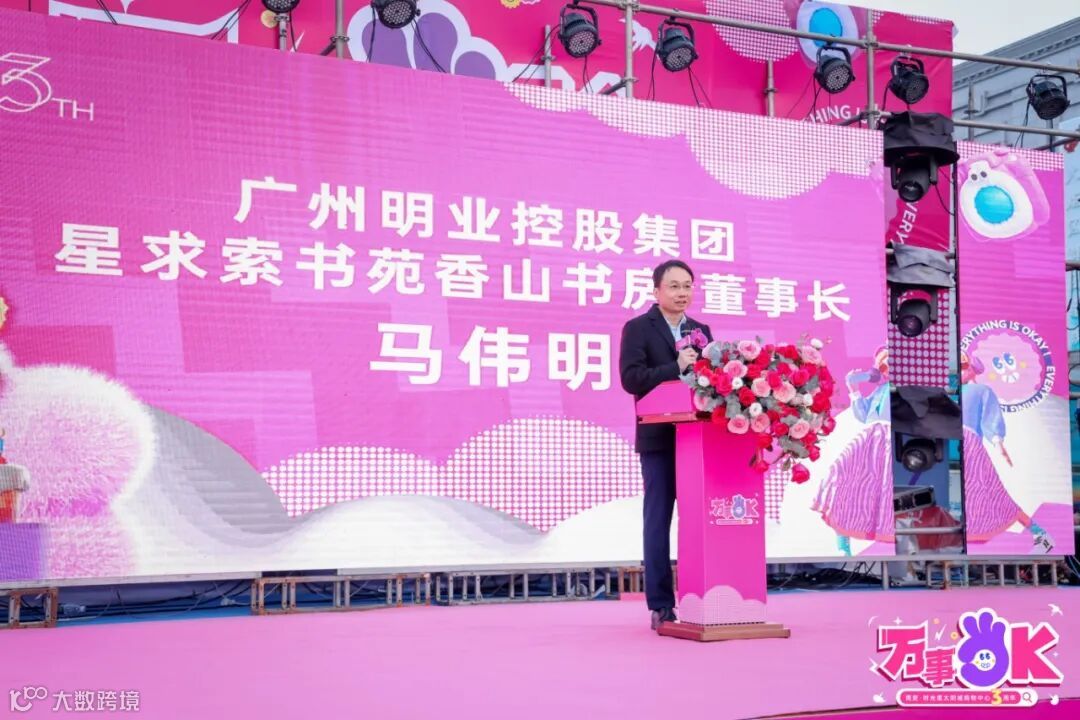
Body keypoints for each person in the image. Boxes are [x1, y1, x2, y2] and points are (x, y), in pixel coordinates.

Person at [618, 260, 713, 631]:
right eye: (674, 286)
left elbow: (710, 382)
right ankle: (660, 605)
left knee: (698, 522)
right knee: (658, 521)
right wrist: (675, 366)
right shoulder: (639, 328)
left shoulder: (701, 331)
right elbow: (632, 379)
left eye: (687, 285)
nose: (682, 292)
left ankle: (699, 598)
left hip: (697, 440)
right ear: (656, 290)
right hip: (659, 440)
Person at [961, 352, 1053, 552]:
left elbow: (990, 416)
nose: (960, 372)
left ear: (973, 370)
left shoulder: (981, 390)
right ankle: (1038, 534)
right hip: (959, 445)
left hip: (971, 447)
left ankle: (1040, 534)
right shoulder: (954, 392)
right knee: (976, 495)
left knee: (994, 494)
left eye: (964, 367)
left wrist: (998, 443)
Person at [812, 346, 894, 555]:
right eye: (882, 367)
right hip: (869, 440)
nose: (886, 370)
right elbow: (862, 416)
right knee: (841, 478)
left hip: (889, 442)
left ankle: (896, 549)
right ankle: (843, 543)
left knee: (885, 493)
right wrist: (854, 388)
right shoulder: (878, 391)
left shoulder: (902, 389)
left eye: (889, 364)